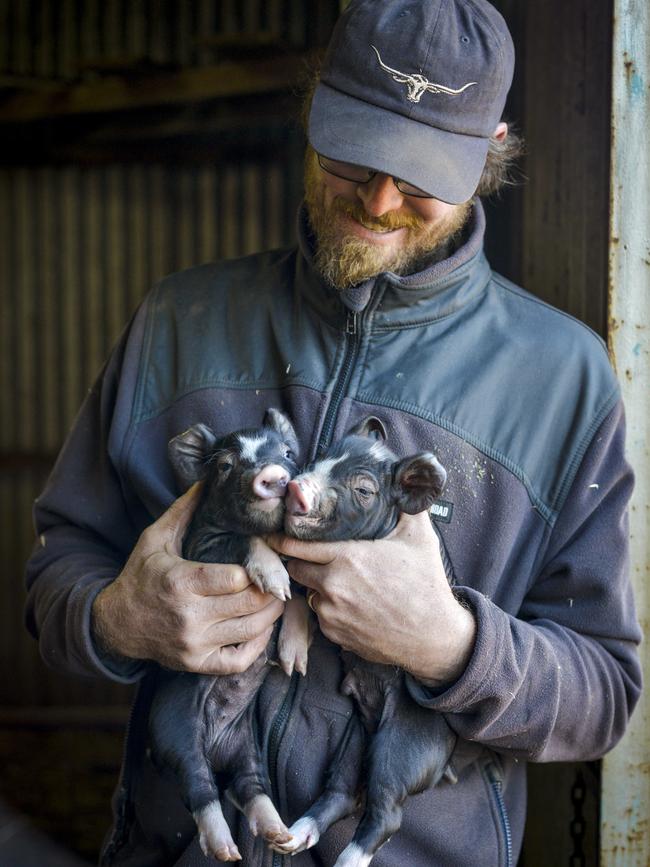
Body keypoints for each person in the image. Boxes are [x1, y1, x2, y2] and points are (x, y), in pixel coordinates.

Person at [25, 1, 642, 865]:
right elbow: (57, 567)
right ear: (315, 105)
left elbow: (603, 694)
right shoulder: (179, 318)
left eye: (421, 172)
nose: (381, 200)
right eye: (355, 154)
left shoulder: (565, 382)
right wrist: (116, 616)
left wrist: (452, 644)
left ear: (492, 149)